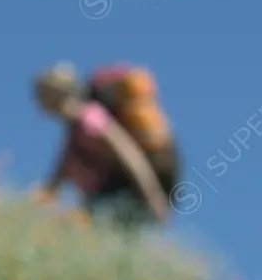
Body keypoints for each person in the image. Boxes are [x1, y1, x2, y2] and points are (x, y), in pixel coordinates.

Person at [31, 62, 180, 229]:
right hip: (121, 194)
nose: (39, 103)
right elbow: (57, 177)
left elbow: (129, 155)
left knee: (94, 221)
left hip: (129, 192)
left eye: (42, 94)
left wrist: (154, 198)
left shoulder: (90, 119)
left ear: (56, 93)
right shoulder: (74, 135)